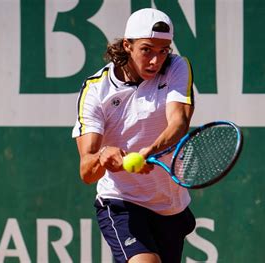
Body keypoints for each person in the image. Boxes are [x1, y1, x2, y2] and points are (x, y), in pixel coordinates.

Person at [72, 8, 196, 263]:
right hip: (122, 202)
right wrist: (104, 157)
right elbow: (87, 171)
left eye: (164, 50)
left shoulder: (176, 67)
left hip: (170, 205)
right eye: (147, 49)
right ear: (127, 45)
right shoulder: (96, 91)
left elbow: (179, 121)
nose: (156, 60)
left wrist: (149, 151)